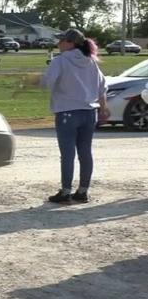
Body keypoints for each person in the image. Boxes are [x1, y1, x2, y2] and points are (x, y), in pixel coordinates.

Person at [39, 28, 108, 204]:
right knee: (85, 152)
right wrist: (103, 109)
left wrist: (32, 81)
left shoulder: (60, 61)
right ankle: (83, 191)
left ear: (70, 43)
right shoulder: (91, 61)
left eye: (61, 40)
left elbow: (47, 82)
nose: (58, 43)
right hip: (89, 113)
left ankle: (65, 192)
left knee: (67, 154)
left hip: (67, 112)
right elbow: (102, 87)